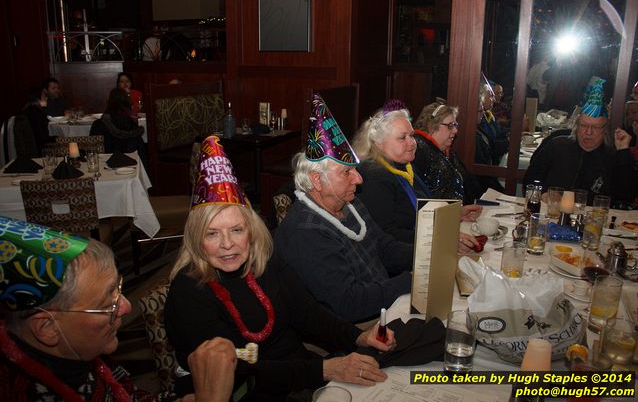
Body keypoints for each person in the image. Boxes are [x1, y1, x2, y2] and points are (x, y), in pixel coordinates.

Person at [164, 135, 395, 401]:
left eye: (236, 230)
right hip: (247, 391)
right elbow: (240, 370)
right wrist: (323, 369)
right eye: (212, 234)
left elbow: (305, 311)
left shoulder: (264, 257)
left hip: (298, 372)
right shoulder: (188, 290)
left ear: (250, 229)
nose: (227, 244)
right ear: (195, 238)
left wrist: (359, 338)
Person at [0, 216, 237, 402]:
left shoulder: (91, 358)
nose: (126, 306)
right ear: (47, 327)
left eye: (119, 288)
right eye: (107, 304)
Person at [275, 94, 414, 323]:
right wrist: (408, 280)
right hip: (355, 328)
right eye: (346, 172)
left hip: (383, 304)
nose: (359, 179)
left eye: (355, 169)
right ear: (317, 180)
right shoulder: (306, 230)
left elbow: (384, 247)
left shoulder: (350, 203)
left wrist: (427, 255)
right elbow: (349, 303)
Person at [352, 100, 481, 251]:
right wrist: (443, 238)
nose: (412, 143)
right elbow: (389, 234)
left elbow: (422, 208)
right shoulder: (372, 176)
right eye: (402, 138)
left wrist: (454, 215)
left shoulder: (403, 165)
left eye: (412, 135)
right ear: (379, 143)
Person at [524, 77, 634, 204]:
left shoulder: (612, 157)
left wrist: (623, 152)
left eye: (595, 127)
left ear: (604, 129)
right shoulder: (557, 146)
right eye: (584, 125)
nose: (588, 132)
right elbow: (531, 178)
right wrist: (542, 193)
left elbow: (626, 196)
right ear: (576, 126)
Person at [412, 102, 484, 205]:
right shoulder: (417, 150)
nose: (455, 130)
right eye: (450, 125)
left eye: (455, 125)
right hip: (442, 218)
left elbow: (469, 182)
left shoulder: (446, 151)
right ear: (432, 125)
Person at [91, 88, 146, 160]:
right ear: (127, 104)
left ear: (109, 103)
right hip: (131, 166)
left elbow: (92, 153)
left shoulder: (98, 125)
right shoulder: (133, 126)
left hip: (105, 165)